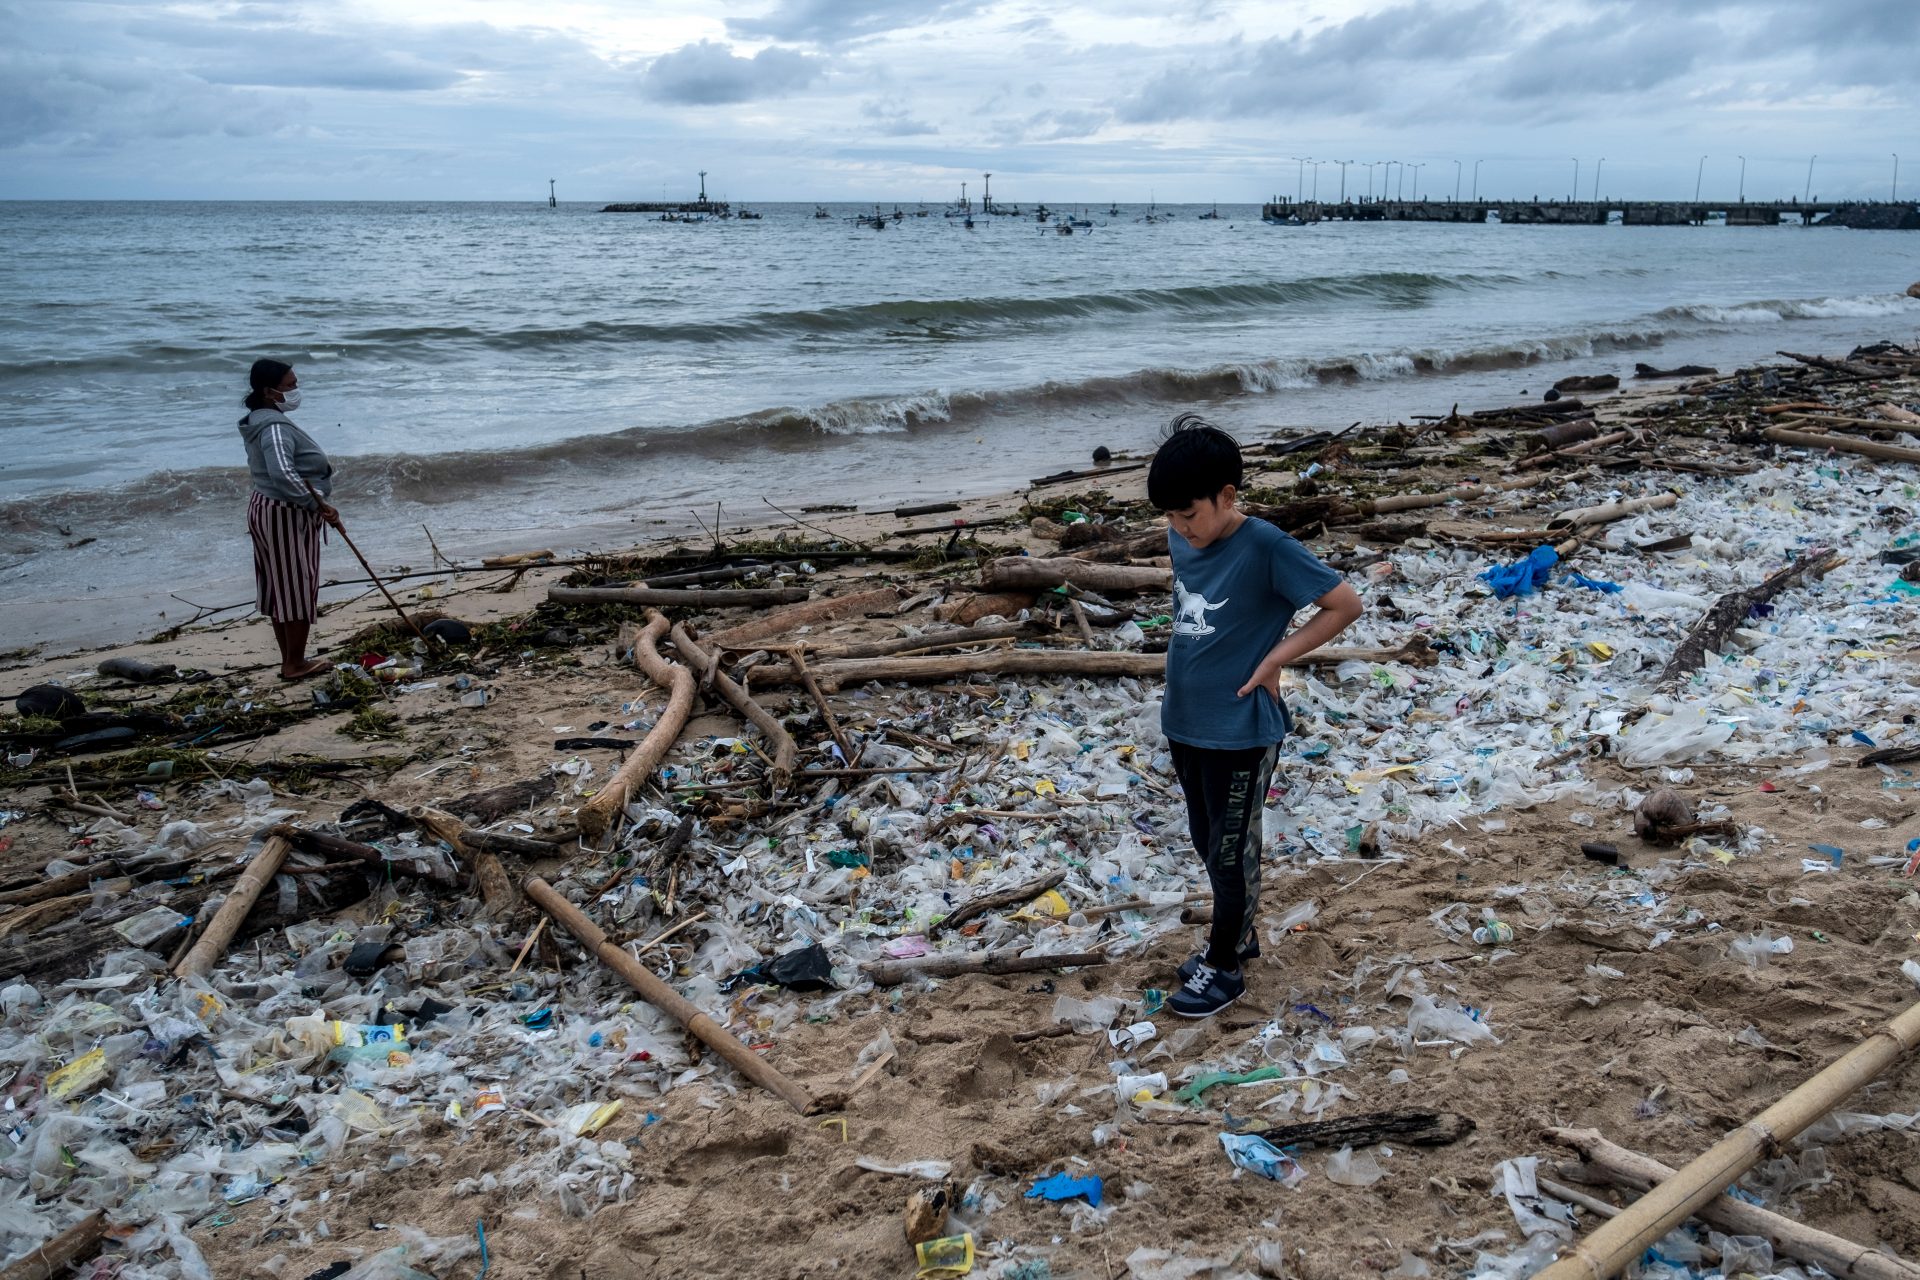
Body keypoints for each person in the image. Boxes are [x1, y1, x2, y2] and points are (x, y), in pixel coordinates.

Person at [1148, 414, 1364, 1017]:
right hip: (1185, 720)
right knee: (1204, 838)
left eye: (1188, 514)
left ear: (1227, 496)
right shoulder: (1181, 539)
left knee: (1231, 851)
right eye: (1168, 516)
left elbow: (1344, 604)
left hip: (1240, 729)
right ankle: (1235, 937)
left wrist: (1275, 658)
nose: (1179, 528)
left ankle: (1225, 967)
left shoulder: (1266, 545)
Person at [238, 358, 341, 680]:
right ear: (270, 392)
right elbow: (282, 473)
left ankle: (292, 659)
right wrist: (317, 503)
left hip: (268, 507)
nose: (296, 391)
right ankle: (294, 663)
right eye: (290, 386)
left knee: (282, 587)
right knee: (296, 586)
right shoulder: (273, 427)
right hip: (284, 513)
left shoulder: (260, 419)